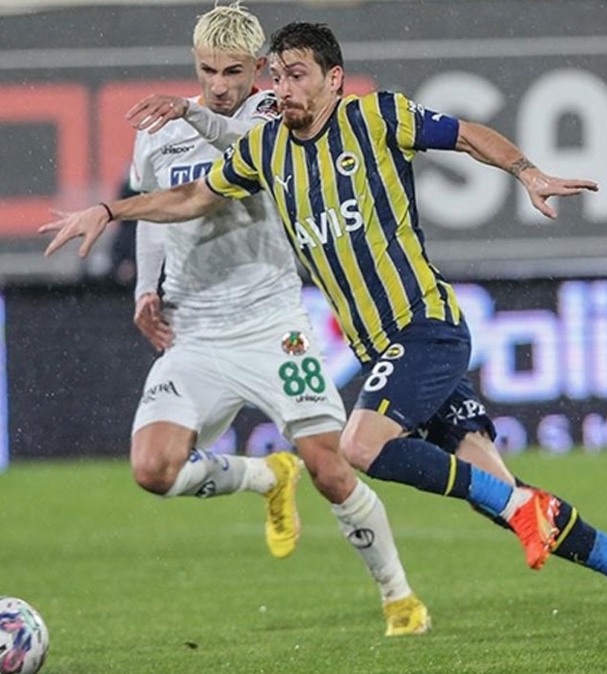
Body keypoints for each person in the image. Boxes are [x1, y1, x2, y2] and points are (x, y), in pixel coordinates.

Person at [43, 21, 607, 632]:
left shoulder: (376, 117)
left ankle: (515, 519)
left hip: (424, 324)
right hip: (379, 346)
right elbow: (190, 198)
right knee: (497, 491)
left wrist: (527, 172)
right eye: (278, 76)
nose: (284, 89)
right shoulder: (264, 149)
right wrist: (109, 209)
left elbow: (467, 135)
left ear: (334, 79)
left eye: (297, 75)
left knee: (360, 447)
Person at [116, 3, 431, 637]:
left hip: (271, 325)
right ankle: (265, 475)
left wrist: (191, 114)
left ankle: (399, 597)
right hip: (196, 329)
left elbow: (246, 155)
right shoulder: (159, 131)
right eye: (208, 70)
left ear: (260, 68)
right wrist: (147, 289)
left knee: (330, 468)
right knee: (153, 469)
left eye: (234, 71)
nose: (220, 85)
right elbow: (154, 207)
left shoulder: (276, 115)